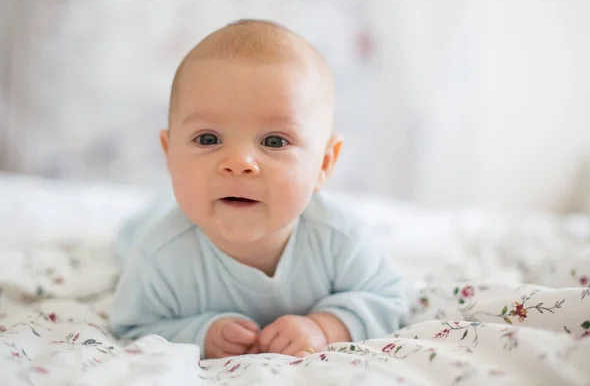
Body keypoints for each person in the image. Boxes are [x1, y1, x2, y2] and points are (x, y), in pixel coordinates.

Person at [109, 19, 407, 359]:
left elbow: (390, 301)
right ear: (169, 152)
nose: (238, 163)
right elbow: (131, 325)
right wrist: (201, 334)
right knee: (134, 232)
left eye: (274, 141)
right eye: (208, 139)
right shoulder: (158, 257)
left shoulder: (340, 238)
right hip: (146, 227)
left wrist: (323, 327)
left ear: (324, 165)